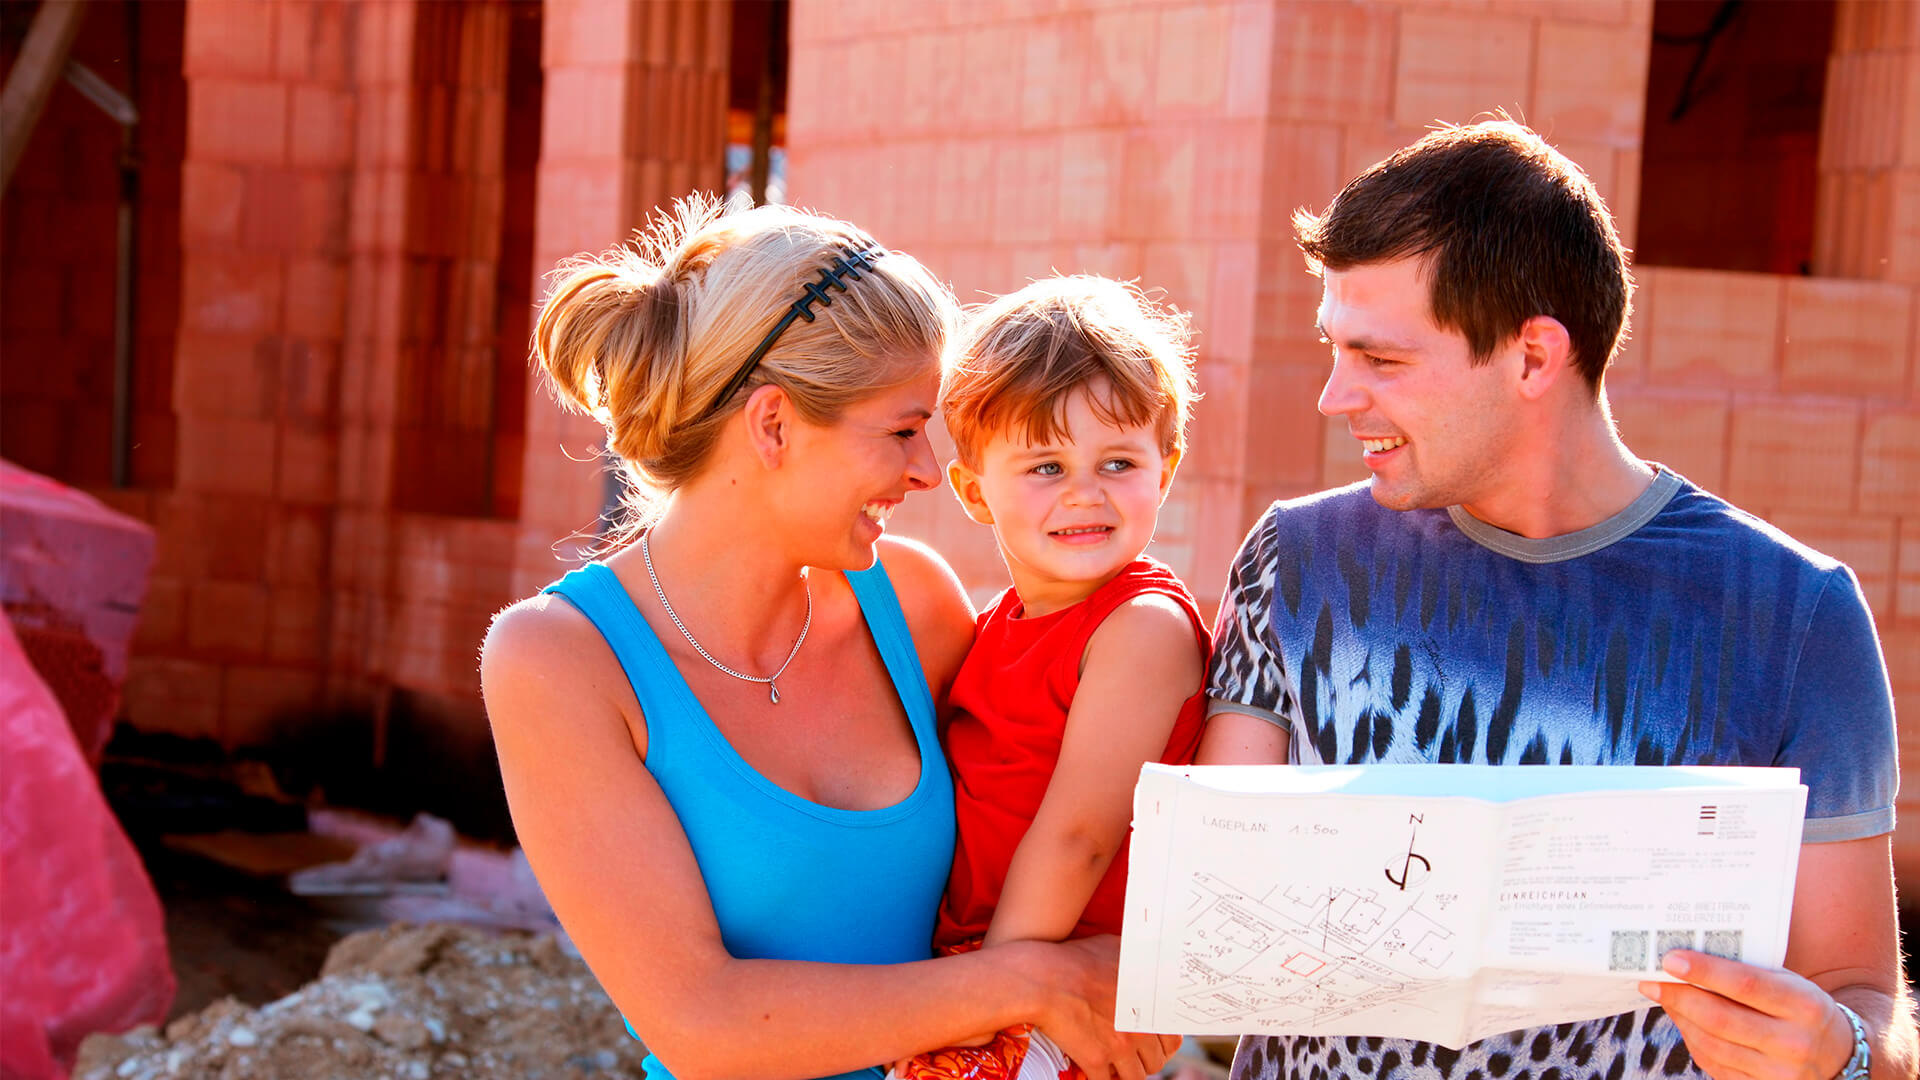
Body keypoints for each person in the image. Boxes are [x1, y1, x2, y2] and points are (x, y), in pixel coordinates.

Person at [1196, 121, 1915, 1080]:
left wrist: (1846, 1052)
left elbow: (1861, 993)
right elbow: (1210, 910)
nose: (1334, 396)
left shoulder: (1796, 615)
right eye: (1335, 349)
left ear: (1535, 357)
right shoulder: (1294, 562)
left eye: (1382, 360)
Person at [480, 198, 1177, 1080]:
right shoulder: (558, 661)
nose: (929, 470)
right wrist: (1033, 982)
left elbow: (1059, 816)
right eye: (901, 431)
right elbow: (702, 1024)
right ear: (773, 426)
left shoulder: (917, 602)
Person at [891, 278, 1211, 1080]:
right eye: (1044, 466)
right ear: (973, 492)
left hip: (1055, 993)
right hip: (986, 968)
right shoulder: (999, 622)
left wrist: (989, 1006)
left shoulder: (1139, 627)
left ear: (1163, 472)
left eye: (1117, 461)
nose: (1085, 492)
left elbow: (1078, 837)